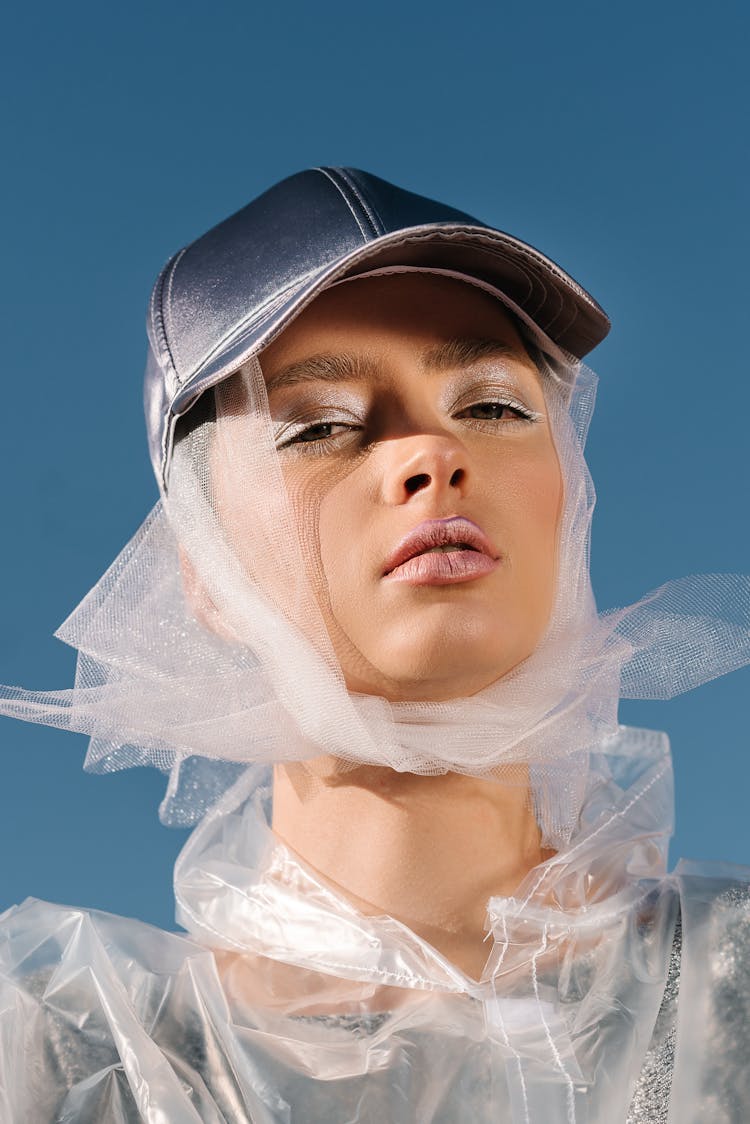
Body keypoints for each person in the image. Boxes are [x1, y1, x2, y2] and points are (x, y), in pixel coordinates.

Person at [1, 167, 749, 1122]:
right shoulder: (55, 1049)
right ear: (200, 570)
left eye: (491, 406)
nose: (430, 454)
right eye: (319, 427)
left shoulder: (736, 986)